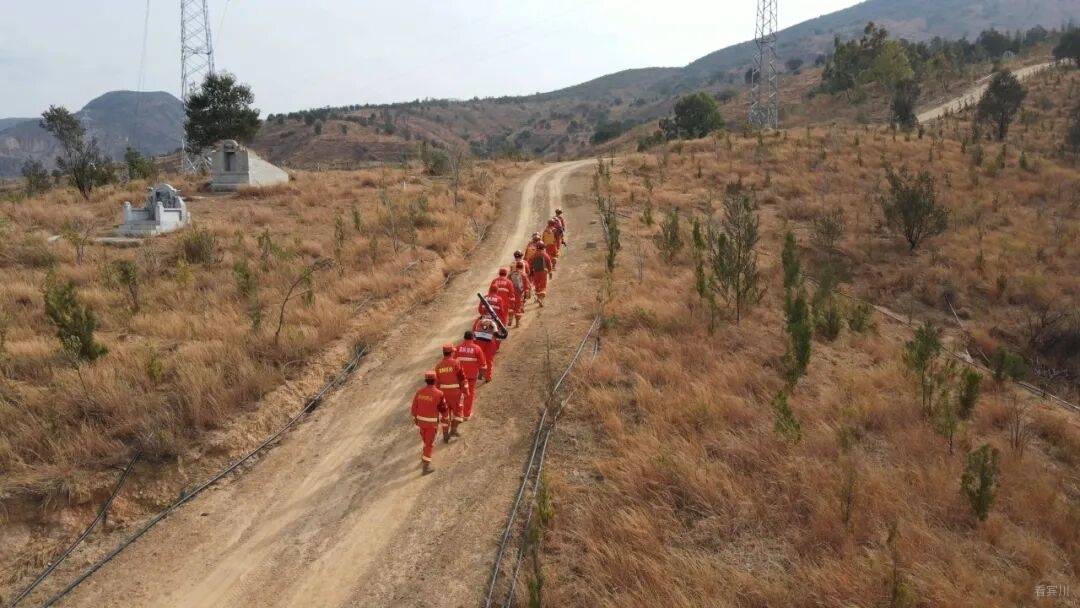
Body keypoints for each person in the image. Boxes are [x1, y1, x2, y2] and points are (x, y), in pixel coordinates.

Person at [411, 371, 446, 475]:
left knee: (426, 441)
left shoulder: (419, 392)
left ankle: (424, 458)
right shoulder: (439, 393)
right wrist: (445, 418)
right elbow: (443, 409)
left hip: (421, 423)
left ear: (426, 380)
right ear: (435, 380)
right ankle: (426, 467)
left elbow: (414, 408)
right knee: (429, 444)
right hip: (431, 424)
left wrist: (415, 419)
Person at [434, 344, 468, 442]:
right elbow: (462, 378)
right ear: (452, 352)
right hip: (455, 394)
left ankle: (445, 435)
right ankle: (453, 430)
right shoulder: (456, 363)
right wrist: (465, 390)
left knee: (445, 415)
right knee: (459, 414)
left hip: (443, 394)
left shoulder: (438, 366)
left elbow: (436, 383)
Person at [454, 331, 490, 422]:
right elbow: (483, 364)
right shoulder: (477, 348)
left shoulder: (457, 348)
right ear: (473, 338)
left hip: (459, 377)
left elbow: (453, 362)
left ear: (464, 338)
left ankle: (458, 414)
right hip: (471, 376)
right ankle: (466, 415)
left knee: (458, 395)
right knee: (469, 395)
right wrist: (483, 374)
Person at [529, 242, 553, 307]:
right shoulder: (545, 254)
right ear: (543, 247)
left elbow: (530, 264)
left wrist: (530, 272)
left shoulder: (533, 255)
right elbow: (549, 263)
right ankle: (541, 299)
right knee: (543, 286)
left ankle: (538, 297)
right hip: (543, 272)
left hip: (536, 272)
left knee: (537, 285)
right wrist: (550, 272)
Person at [508, 261, 531, 327]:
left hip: (511, 293)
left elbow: (507, 283)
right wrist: (527, 293)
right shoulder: (523, 275)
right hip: (519, 294)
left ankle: (510, 319)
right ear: (522, 267)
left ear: (516, 267)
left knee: (511, 306)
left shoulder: (510, 274)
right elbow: (526, 286)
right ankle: (517, 323)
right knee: (518, 308)